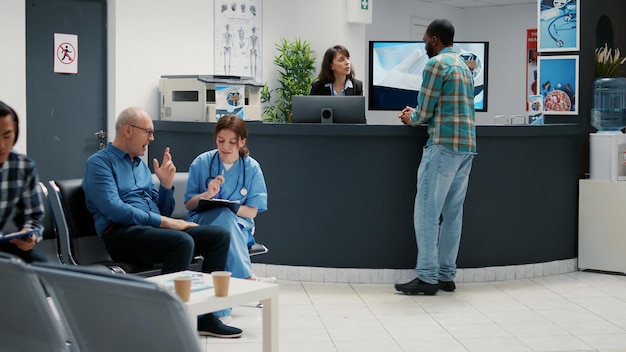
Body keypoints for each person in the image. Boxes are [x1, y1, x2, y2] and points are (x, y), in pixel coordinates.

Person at [82, 106, 242, 338]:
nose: (152, 138)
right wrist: (166, 223)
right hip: (120, 234)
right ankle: (164, 321)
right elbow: (114, 210)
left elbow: (160, 209)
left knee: (218, 236)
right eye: (147, 132)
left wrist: (166, 186)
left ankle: (205, 317)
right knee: (180, 241)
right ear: (128, 130)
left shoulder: (141, 167)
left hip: (149, 232)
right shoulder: (99, 164)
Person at [395, 19, 477, 295]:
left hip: (442, 146)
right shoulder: (465, 68)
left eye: (424, 40)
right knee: (453, 215)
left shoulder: (435, 64)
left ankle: (427, 277)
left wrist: (411, 117)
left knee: (427, 213)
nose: (424, 45)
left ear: (434, 40)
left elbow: (424, 111)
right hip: (466, 148)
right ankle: (446, 275)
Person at [184, 115, 271, 321]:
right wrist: (207, 195)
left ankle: (220, 311)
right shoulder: (202, 162)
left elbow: (252, 212)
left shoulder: (251, 168)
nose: (226, 147)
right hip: (201, 222)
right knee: (221, 224)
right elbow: (188, 204)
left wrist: (229, 207)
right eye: (221, 140)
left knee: (224, 223)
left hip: (240, 226)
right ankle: (246, 278)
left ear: (242, 142)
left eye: (232, 142)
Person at [0, 101, 47, 263]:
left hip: (4, 245)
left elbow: (32, 216)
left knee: (42, 268)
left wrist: (29, 234)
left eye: (7, 136)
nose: (2, 145)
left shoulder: (23, 166)